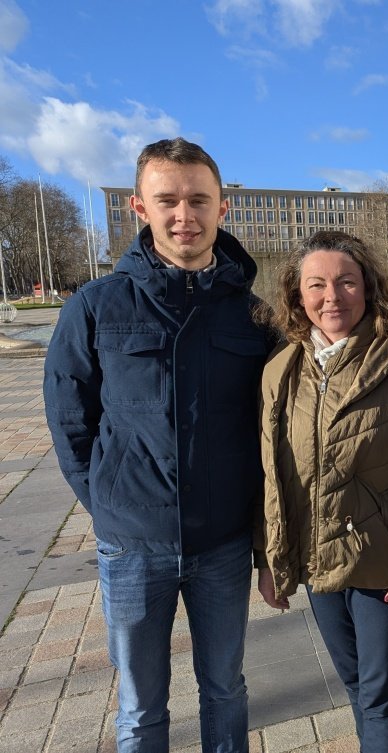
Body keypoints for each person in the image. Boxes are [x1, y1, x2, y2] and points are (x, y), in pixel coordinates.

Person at [44, 138, 275, 752]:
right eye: (167, 199)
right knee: (141, 708)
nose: (185, 214)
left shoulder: (253, 315)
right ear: (137, 208)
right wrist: (108, 500)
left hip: (222, 543)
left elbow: (273, 426)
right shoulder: (94, 307)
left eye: (199, 199)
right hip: (131, 545)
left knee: (225, 689)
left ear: (223, 208)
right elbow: (72, 422)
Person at [256, 231, 388, 753]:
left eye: (346, 282)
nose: (332, 297)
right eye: (316, 284)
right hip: (318, 564)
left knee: (380, 694)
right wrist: (271, 562)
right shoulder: (281, 370)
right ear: (297, 295)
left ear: (367, 287)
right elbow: (273, 477)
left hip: (383, 564)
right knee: (355, 687)